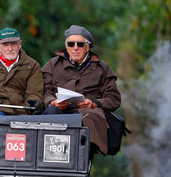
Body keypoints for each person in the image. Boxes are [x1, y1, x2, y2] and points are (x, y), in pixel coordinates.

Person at [42, 25, 121, 155]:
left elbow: (114, 99)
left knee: (80, 119)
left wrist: (95, 103)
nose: (75, 48)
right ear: (66, 46)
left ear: (87, 46)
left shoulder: (102, 68)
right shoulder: (52, 65)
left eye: (80, 44)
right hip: (58, 111)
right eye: (71, 44)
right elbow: (44, 91)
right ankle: (46, 156)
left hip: (87, 115)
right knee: (50, 113)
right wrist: (52, 102)